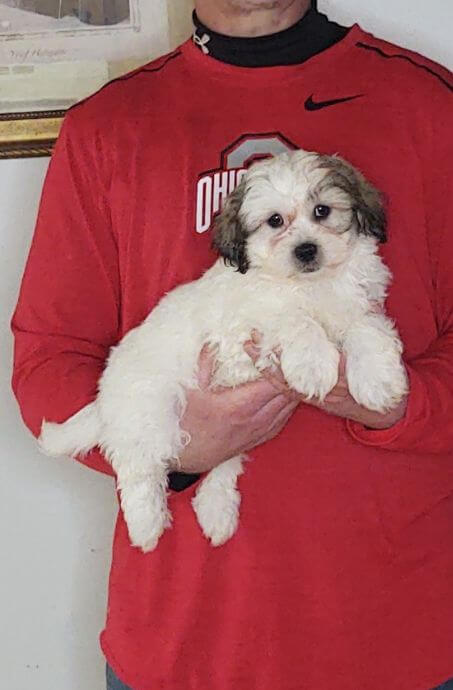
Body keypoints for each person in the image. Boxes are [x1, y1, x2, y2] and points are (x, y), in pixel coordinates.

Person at [11, 0, 453, 688]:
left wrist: (401, 408)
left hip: (396, 637)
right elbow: (47, 358)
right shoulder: (105, 128)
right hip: (183, 643)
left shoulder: (429, 103)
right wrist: (176, 448)